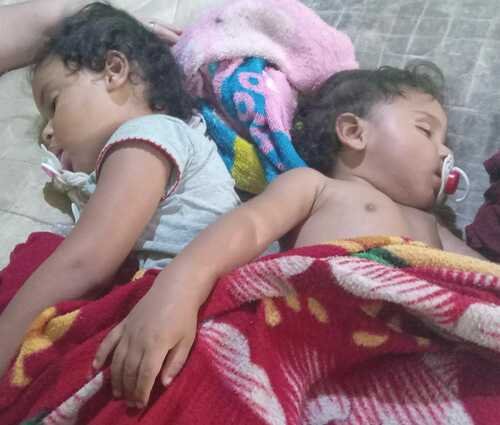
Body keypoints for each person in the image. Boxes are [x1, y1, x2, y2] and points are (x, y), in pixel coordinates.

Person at [92, 62, 487, 409]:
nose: (445, 153)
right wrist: (179, 285)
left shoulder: (432, 226)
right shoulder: (314, 186)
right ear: (354, 132)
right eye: (426, 130)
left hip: (417, 373)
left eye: (445, 142)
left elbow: (482, 284)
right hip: (318, 343)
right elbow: (250, 226)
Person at [0, 1, 239, 390]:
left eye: (54, 104)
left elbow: (85, 261)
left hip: (196, 313)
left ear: (114, 70)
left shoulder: (149, 134)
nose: (48, 133)